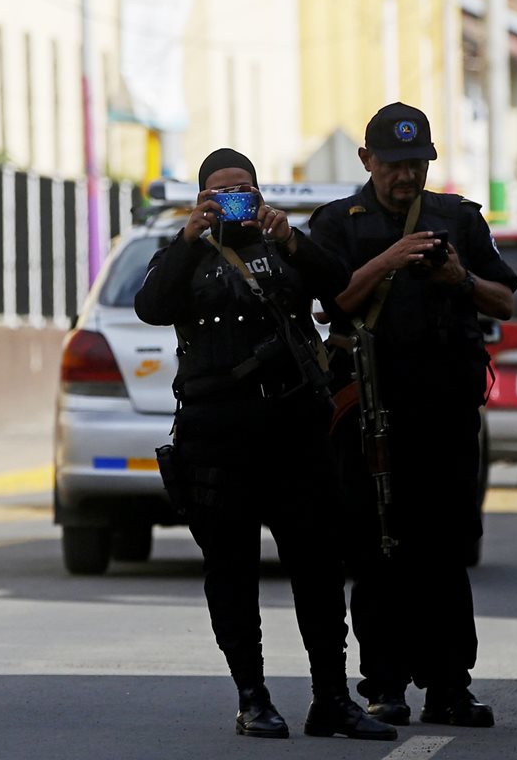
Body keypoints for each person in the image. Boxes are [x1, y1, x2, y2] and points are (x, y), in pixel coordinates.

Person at [135, 148, 395, 741]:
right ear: (202, 197)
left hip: (295, 429)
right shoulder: (181, 255)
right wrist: (188, 236)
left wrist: (291, 237)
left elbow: (337, 283)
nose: (233, 201)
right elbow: (150, 307)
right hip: (216, 436)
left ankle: (331, 697)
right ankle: (253, 698)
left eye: (243, 190)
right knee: (231, 570)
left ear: (258, 194)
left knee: (319, 567)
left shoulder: (283, 246)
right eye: (220, 192)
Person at [308, 102, 517, 728]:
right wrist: (390, 259)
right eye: (395, 165)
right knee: (376, 552)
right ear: (367, 161)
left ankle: (450, 684)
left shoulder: (458, 218)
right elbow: (332, 305)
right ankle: (384, 684)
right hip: (371, 416)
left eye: (417, 164)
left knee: (445, 550)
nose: (407, 177)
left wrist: (459, 278)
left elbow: (504, 300)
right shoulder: (337, 225)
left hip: (446, 412)